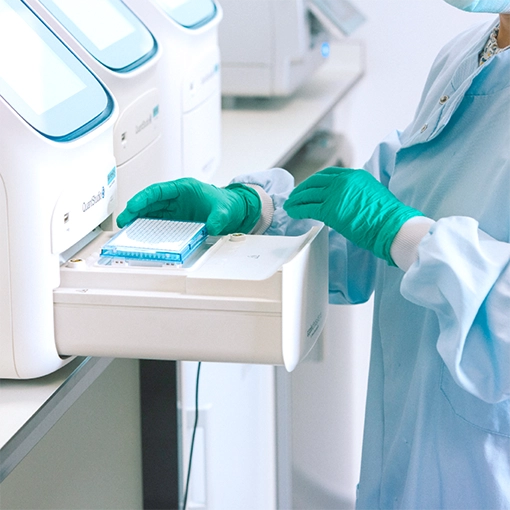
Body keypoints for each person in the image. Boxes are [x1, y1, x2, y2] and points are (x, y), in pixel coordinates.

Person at [117, 1, 510, 507]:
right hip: (410, 453)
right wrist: (259, 213)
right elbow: (381, 219)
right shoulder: (470, 54)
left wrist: (403, 231)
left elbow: (401, 229)